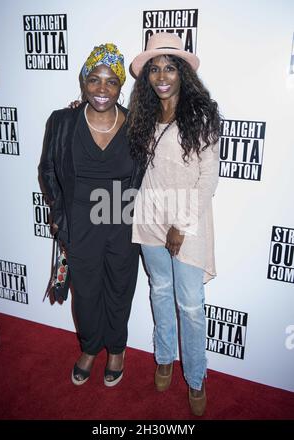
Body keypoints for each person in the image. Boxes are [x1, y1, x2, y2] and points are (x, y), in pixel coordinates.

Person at [39, 43, 144, 387]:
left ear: (120, 87)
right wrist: (59, 214)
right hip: (80, 222)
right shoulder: (62, 121)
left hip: (123, 221)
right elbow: (48, 170)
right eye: (95, 80)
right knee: (85, 291)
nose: (102, 89)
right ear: (83, 82)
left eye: (111, 81)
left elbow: (148, 175)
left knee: (119, 287)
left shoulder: (136, 124)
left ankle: (116, 349)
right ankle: (90, 347)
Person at [127, 33, 220, 416]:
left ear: (182, 72)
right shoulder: (144, 115)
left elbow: (208, 178)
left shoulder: (201, 114)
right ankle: (164, 357)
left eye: (169, 67)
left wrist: (180, 224)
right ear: (147, 76)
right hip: (149, 217)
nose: (161, 75)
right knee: (160, 292)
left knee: (191, 306)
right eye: (154, 68)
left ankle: (195, 377)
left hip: (188, 222)